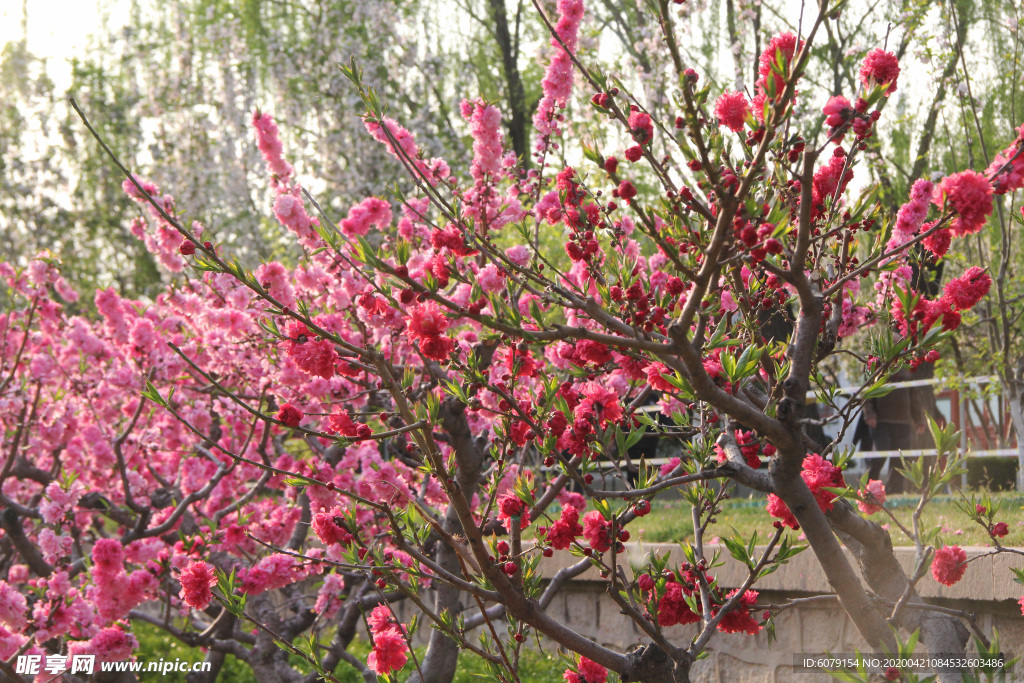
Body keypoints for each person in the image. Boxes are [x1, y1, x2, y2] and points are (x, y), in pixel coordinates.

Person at [861, 367, 925, 493]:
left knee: (900, 460)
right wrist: (869, 414)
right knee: (880, 455)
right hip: (881, 422)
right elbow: (866, 394)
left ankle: (894, 492)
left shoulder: (907, 369)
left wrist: (919, 419)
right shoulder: (877, 365)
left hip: (903, 423)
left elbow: (914, 397)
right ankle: (868, 490)